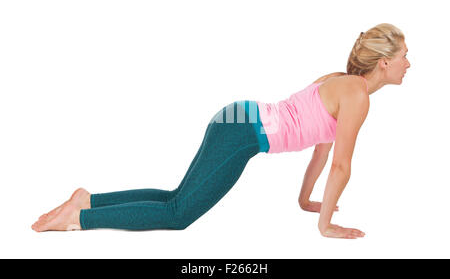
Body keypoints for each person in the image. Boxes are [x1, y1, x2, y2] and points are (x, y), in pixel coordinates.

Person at [32, 23, 410, 239]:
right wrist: (326, 226)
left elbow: (322, 152)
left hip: (238, 117)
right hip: (243, 132)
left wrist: (305, 202)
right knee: (180, 214)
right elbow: (341, 165)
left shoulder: (341, 81)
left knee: (177, 196)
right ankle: (80, 218)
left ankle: (89, 199)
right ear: (383, 63)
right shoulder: (358, 94)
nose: (408, 63)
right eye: (404, 56)